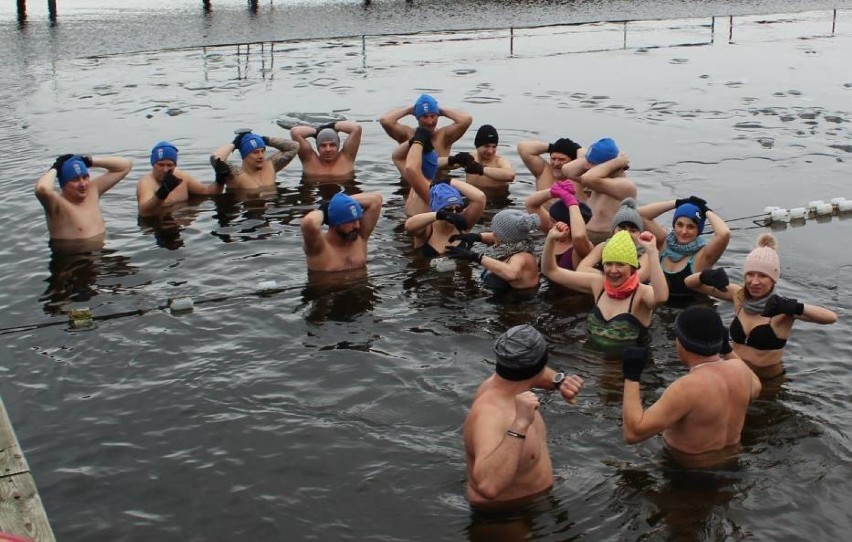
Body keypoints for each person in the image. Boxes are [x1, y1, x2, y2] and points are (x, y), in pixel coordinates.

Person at [621, 306, 762, 466]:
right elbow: (756, 388)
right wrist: (727, 349)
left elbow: (633, 434)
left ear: (681, 342)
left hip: (687, 471)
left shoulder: (687, 388)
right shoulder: (740, 370)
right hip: (732, 463)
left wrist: (631, 376)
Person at [684, 233, 837, 379]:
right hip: (735, 374)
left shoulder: (782, 309)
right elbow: (690, 284)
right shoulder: (738, 295)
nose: (754, 282)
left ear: (773, 280)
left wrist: (797, 307)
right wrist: (705, 275)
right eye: (750, 274)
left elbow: (830, 318)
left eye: (762, 276)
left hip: (768, 380)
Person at [464, 325, 584, 509]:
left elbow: (535, 373)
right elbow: (488, 486)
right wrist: (519, 425)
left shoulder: (508, 382)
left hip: (536, 502)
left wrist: (560, 381)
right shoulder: (490, 414)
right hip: (503, 517)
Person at [542, 230, 668, 352]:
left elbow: (661, 297)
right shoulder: (599, 284)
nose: (613, 270)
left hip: (626, 367)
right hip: (593, 362)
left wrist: (652, 252)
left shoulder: (641, 294)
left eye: (620, 264)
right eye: (608, 264)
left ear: (632, 268)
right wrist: (550, 239)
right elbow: (551, 271)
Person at [639, 196, 730, 301]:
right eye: (680, 225)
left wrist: (706, 211)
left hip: (691, 310)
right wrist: (677, 203)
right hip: (659, 306)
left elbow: (724, 234)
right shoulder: (664, 242)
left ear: (698, 230)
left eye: (690, 227)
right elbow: (641, 215)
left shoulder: (704, 255)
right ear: (674, 224)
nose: (683, 231)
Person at [35, 153, 133, 242]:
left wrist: (87, 161)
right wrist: (55, 168)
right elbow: (42, 189)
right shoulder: (58, 206)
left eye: (85, 177)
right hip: (73, 258)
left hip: (101, 255)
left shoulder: (92, 191)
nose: (82, 184)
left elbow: (125, 166)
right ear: (63, 185)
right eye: (75, 179)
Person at [561, 138, 637, 245]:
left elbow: (587, 178)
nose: (586, 166)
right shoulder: (597, 181)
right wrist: (596, 159)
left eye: (591, 163)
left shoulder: (625, 185)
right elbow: (567, 170)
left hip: (605, 239)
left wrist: (617, 161)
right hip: (584, 234)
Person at [446, 209, 541, 291]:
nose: (492, 234)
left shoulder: (523, 257)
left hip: (515, 307)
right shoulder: (515, 243)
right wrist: (476, 237)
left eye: (496, 233)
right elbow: (494, 237)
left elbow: (511, 274)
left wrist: (477, 257)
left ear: (505, 238)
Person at [136, 141, 226, 217]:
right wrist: (163, 191)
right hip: (158, 226)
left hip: (182, 226)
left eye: (170, 165)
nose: (165, 169)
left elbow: (209, 192)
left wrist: (220, 179)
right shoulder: (146, 182)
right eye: (161, 165)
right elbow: (145, 212)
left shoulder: (181, 177)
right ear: (153, 164)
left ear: (175, 165)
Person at [300, 191, 383, 272]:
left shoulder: (360, 236)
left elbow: (376, 200)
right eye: (351, 221)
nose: (357, 226)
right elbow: (309, 222)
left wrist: (340, 203)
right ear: (336, 222)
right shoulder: (318, 248)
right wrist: (326, 210)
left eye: (358, 220)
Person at [576, 197, 654, 281]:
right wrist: (608, 276)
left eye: (633, 231)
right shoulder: (603, 247)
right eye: (621, 229)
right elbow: (581, 269)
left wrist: (606, 276)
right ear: (613, 232)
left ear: (640, 234)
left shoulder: (645, 253)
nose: (626, 234)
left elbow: (639, 277)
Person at [404, 181, 485, 259]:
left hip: (460, 271)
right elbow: (409, 226)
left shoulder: (464, 223)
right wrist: (440, 215)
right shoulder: (427, 229)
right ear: (437, 210)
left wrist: (450, 181)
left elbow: (480, 198)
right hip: (427, 271)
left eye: (458, 209)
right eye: (448, 210)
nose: (454, 213)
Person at [525, 180, 593, 271]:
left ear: (569, 225)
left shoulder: (580, 249)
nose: (549, 224)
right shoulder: (553, 234)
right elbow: (530, 204)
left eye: (553, 221)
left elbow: (579, 236)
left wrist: (572, 203)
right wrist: (552, 192)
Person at [380, 93, 472, 157]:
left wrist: (439, 110)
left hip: (440, 182)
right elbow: (385, 120)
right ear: (417, 117)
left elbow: (466, 119)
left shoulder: (444, 137)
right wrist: (409, 110)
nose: (430, 122)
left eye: (433, 116)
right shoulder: (408, 135)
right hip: (410, 184)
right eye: (424, 117)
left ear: (438, 115)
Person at [209, 129, 299, 190]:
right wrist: (235, 144)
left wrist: (264, 140)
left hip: (270, 214)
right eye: (255, 152)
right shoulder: (236, 175)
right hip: (246, 216)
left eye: (262, 151)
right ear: (245, 155)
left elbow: (294, 146)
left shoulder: (269, 167)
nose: (261, 156)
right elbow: (215, 159)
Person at [443, 124, 515, 195]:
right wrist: (453, 159)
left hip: (497, 202)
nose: (490, 151)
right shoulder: (470, 159)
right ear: (477, 145)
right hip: (472, 200)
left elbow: (510, 175)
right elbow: (436, 164)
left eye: (494, 147)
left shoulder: (499, 161)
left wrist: (480, 169)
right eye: (486, 146)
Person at [289, 120, 362, 179]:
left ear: (338, 146)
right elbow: (295, 132)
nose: (328, 149)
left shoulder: (346, 157)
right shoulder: (309, 160)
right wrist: (317, 132)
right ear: (317, 147)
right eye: (323, 145)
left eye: (332, 145)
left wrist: (332, 126)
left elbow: (356, 128)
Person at [516, 136, 584, 192]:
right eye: (553, 159)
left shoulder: (581, 178)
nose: (556, 163)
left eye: (561, 159)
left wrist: (576, 149)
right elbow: (523, 147)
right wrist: (553, 147)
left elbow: (584, 155)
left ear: (573, 161)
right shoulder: (543, 171)